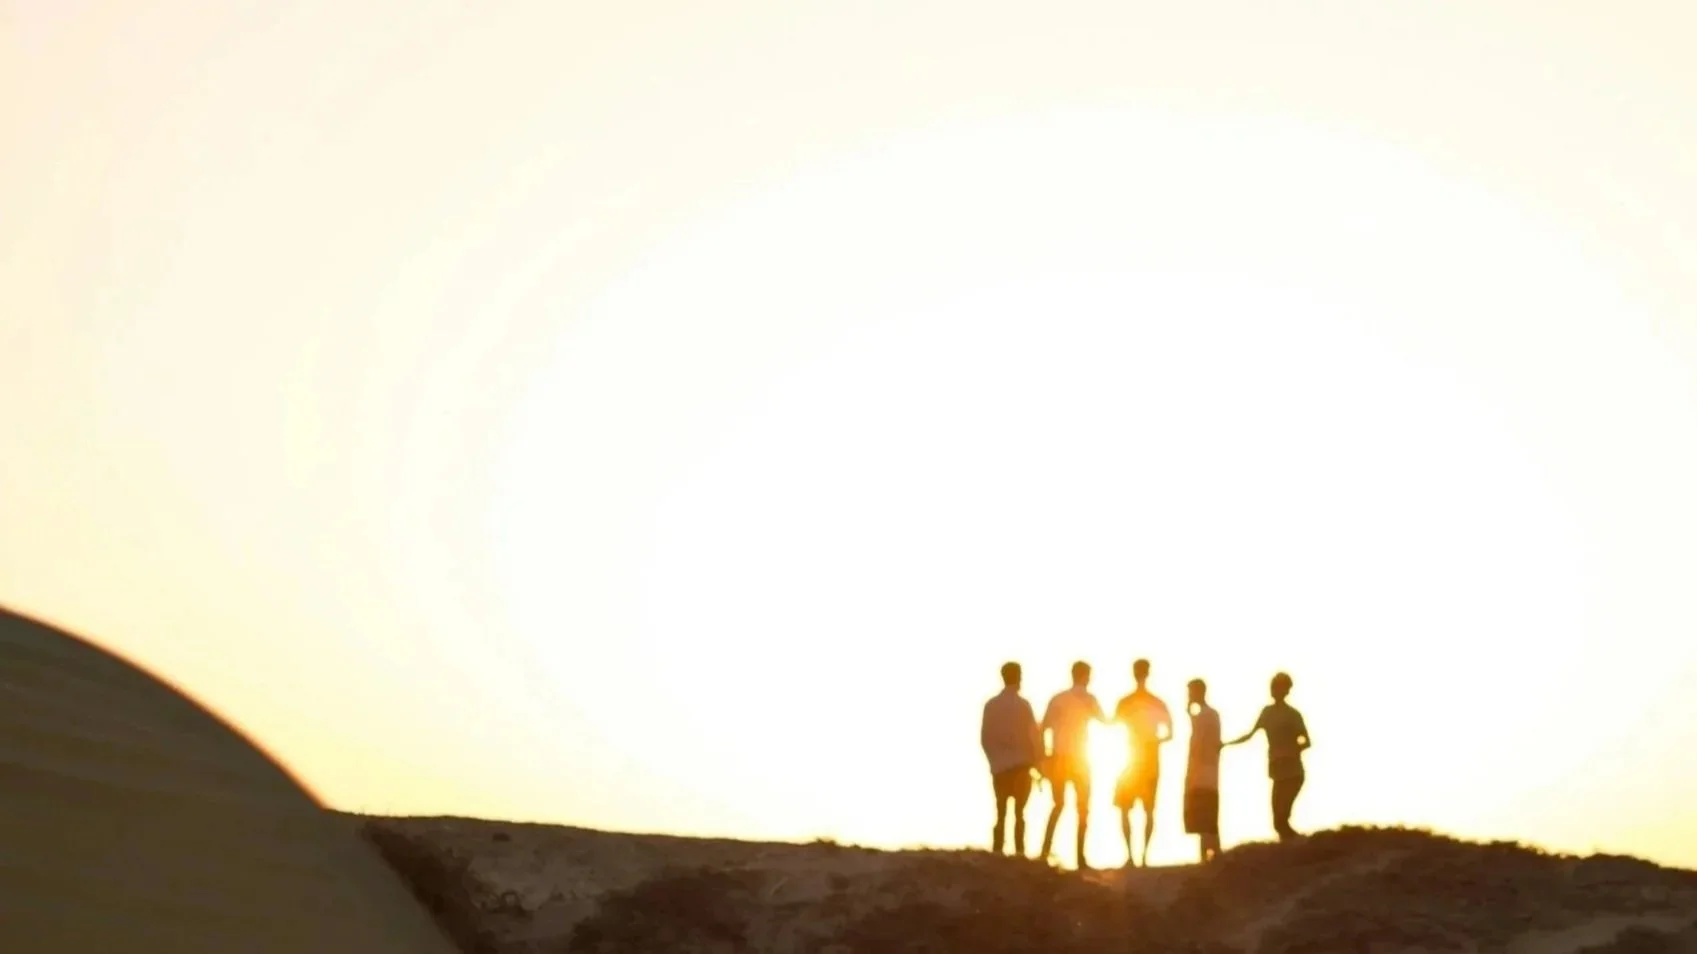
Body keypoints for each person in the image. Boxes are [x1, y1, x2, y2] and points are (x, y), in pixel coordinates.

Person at [1224, 671, 1311, 841]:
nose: (1274, 691)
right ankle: (1292, 847)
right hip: (1277, 770)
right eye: (1272, 687)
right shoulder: (1267, 712)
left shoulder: (1292, 715)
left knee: (1281, 818)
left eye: (1277, 687)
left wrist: (1292, 750)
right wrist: (1225, 745)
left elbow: (1307, 741)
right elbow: (1249, 735)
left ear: (1286, 690)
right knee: (1278, 822)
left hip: (1293, 771)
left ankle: (1300, 845)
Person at [1039, 660, 1107, 869]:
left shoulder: (1058, 699)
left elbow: (1044, 727)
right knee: (1083, 808)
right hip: (1080, 758)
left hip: (1059, 756)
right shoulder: (1089, 699)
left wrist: (1045, 756)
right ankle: (1080, 856)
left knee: (1058, 805)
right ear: (1086, 676)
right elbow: (1105, 721)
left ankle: (1045, 850)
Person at [1111, 658, 1171, 867]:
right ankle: (1142, 855)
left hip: (1132, 757)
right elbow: (1169, 732)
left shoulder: (1126, 702)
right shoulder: (1156, 701)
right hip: (1147, 758)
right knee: (1146, 809)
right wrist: (1153, 741)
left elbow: (1113, 724)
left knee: (1126, 808)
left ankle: (1133, 855)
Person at [980, 661, 1043, 857]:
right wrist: (1038, 763)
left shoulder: (991, 705)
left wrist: (993, 761)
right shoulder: (1024, 706)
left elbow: (985, 737)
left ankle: (998, 849)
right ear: (1018, 678)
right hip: (1021, 765)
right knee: (1019, 813)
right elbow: (1033, 736)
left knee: (1000, 811)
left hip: (999, 766)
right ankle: (1019, 851)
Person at [1183, 678, 1223, 862]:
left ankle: (1212, 853)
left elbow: (1202, 744)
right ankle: (1206, 855)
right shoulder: (1205, 715)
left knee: (1206, 813)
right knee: (1202, 815)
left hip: (1204, 771)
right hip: (1202, 771)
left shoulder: (1208, 715)